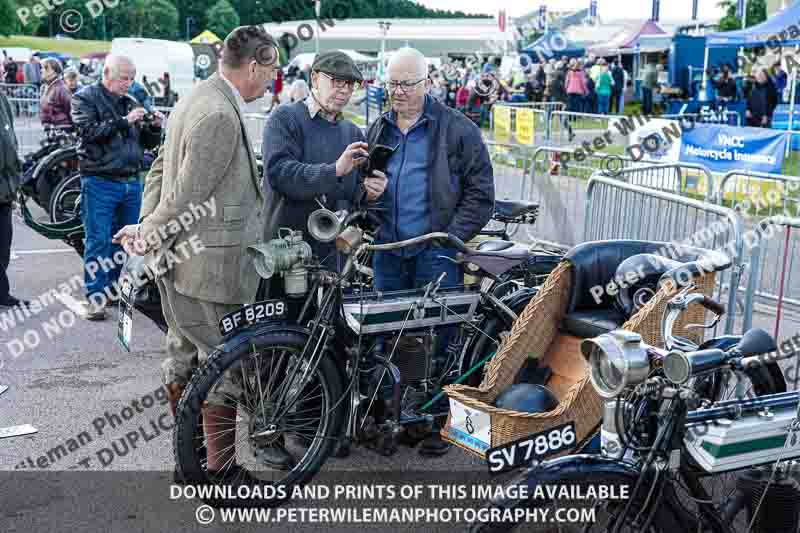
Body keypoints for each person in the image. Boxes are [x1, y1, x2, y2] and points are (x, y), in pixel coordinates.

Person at [113, 26, 279, 477]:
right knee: (222, 363)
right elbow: (187, 193)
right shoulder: (219, 113)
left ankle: (190, 461)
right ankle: (220, 472)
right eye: (271, 72)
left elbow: (159, 171)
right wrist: (148, 231)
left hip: (182, 259)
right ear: (254, 66)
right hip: (210, 263)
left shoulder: (195, 98)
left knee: (183, 354)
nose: (272, 81)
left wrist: (146, 225)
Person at [365, 47, 494, 456]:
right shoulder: (379, 128)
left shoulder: (457, 129)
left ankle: (442, 424)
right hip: (389, 249)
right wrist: (366, 195)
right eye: (392, 83)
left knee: (442, 341)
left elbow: (481, 194)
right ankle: (402, 417)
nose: (399, 91)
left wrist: (448, 238)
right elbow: (365, 184)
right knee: (390, 338)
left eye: (407, 83)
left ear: (427, 83)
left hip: (435, 252)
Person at [262, 50, 386, 278]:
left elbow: (352, 193)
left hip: (334, 259)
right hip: (287, 254)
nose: (345, 90)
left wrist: (369, 192)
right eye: (337, 81)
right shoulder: (284, 118)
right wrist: (334, 171)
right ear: (315, 78)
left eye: (350, 84)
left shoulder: (352, 132)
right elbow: (280, 174)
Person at [71, 55, 163, 321]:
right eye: (124, 78)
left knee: (127, 241)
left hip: (131, 180)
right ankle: (95, 298)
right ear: (107, 73)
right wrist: (124, 120)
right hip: (99, 180)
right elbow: (88, 133)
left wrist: (153, 128)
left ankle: (113, 290)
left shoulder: (130, 99)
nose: (129, 83)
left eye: (132, 78)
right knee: (98, 240)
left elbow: (144, 142)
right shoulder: (85, 98)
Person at [0, 89, 29, 309]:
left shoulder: (2, 99)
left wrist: (15, 181)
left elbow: (11, 142)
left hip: (4, 189)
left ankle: (2, 294)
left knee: (3, 246)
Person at [40, 58, 73, 128]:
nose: (42, 70)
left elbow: (70, 110)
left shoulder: (61, 88)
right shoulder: (45, 87)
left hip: (62, 129)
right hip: (52, 129)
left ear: (55, 72)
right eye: (42, 68)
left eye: (46, 68)